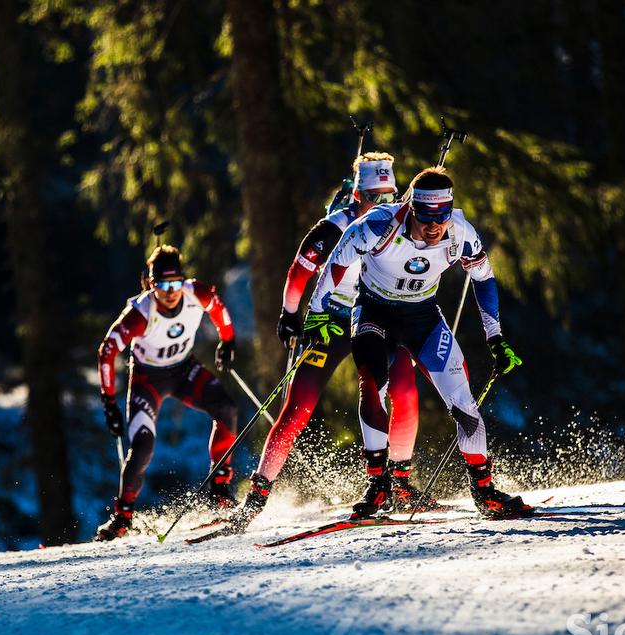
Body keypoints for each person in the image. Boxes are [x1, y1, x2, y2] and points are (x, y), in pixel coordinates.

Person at [305, 166, 531, 519]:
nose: (433, 226)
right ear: (410, 208)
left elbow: (484, 279)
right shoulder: (377, 226)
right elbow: (334, 265)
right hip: (373, 312)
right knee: (371, 385)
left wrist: (495, 337)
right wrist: (314, 312)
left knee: (462, 399)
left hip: (422, 318)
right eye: (425, 216)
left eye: (440, 216)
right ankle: (379, 487)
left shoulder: (460, 234)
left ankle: (484, 490)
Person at [221, 152, 430, 534]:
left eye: (391, 196)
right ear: (357, 195)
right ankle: (257, 498)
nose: (385, 206)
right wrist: (289, 314)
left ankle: (399, 483)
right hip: (332, 321)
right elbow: (299, 271)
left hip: (378, 317)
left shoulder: (403, 221)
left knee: (405, 389)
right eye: (376, 198)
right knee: (297, 407)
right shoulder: (333, 227)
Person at [93, 244, 239, 541]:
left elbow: (219, 310)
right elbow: (107, 351)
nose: (171, 292)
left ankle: (220, 490)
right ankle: (122, 518)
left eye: (175, 283)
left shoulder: (194, 292)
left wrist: (227, 342)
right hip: (148, 379)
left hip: (185, 370)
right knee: (143, 447)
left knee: (227, 410)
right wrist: (109, 402)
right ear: (150, 284)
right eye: (162, 285)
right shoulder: (140, 314)